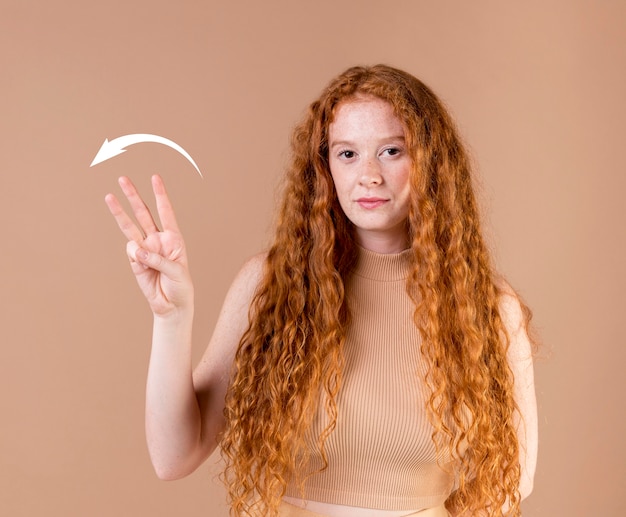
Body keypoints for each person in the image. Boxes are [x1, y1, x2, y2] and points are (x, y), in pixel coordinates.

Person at [105, 64, 538, 517]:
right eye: (347, 154)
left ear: (432, 162)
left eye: (391, 151)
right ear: (324, 166)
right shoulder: (271, 286)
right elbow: (174, 457)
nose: (368, 174)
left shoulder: (489, 308)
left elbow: (512, 482)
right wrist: (171, 318)